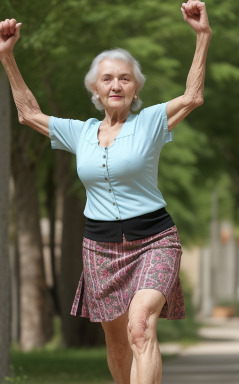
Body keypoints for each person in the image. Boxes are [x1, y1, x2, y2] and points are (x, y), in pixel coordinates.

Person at [0, 1, 211, 383]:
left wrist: (202, 37)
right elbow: (28, 114)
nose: (116, 84)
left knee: (141, 326)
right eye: (108, 78)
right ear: (96, 88)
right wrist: (7, 58)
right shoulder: (80, 132)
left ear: (136, 88)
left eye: (125, 78)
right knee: (116, 345)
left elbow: (193, 96)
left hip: (155, 239)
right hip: (100, 249)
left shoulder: (149, 122)